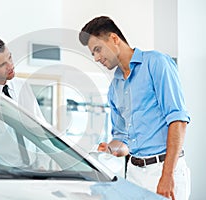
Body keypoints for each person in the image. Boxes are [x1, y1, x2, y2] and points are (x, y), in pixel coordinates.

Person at [79, 16, 190, 200]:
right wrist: (109, 149)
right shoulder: (115, 87)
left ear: (114, 39)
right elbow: (123, 140)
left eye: (97, 50)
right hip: (133, 173)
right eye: (93, 54)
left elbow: (178, 120)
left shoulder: (156, 63)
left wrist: (167, 175)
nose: (97, 58)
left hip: (163, 168)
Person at [0, 35, 48, 168]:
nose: (10, 66)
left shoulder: (23, 86)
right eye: (2, 64)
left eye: (9, 57)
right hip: (3, 171)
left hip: (35, 169)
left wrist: (43, 164)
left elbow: (39, 126)